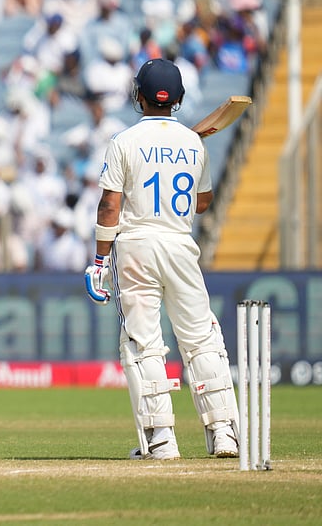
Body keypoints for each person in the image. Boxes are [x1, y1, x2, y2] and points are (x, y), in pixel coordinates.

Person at [86, 58, 240, 461]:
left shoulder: (123, 141)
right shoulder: (194, 143)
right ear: (179, 98)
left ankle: (161, 441)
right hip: (180, 245)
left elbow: (109, 205)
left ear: (138, 96)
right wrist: (191, 153)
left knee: (143, 343)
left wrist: (100, 260)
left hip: (136, 245)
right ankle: (224, 433)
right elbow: (202, 202)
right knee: (202, 339)